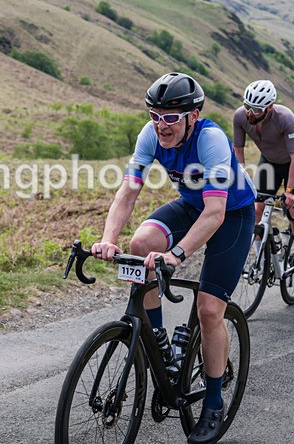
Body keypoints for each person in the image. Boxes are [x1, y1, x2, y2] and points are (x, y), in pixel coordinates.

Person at [90, 72, 256, 444]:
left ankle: (213, 404)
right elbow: (128, 191)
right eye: (155, 114)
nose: (161, 125)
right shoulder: (150, 134)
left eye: (170, 117)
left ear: (192, 116)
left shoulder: (211, 140)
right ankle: (160, 343)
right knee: (141, 243)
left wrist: (176, 255)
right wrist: (107, 239)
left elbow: (215, 213)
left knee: (210, 310)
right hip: (191, 205)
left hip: (232, 214)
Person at [232, 80, 294, 277]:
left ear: (269, 107)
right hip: (269, 162)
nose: (250, 112)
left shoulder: (285, 118)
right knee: (256, 209)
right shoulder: (240, 117)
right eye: (247, 106)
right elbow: (238, 151)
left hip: (293, 161)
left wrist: (290, 191)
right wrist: (241, 181)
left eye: (256, 109)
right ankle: (261, 258)